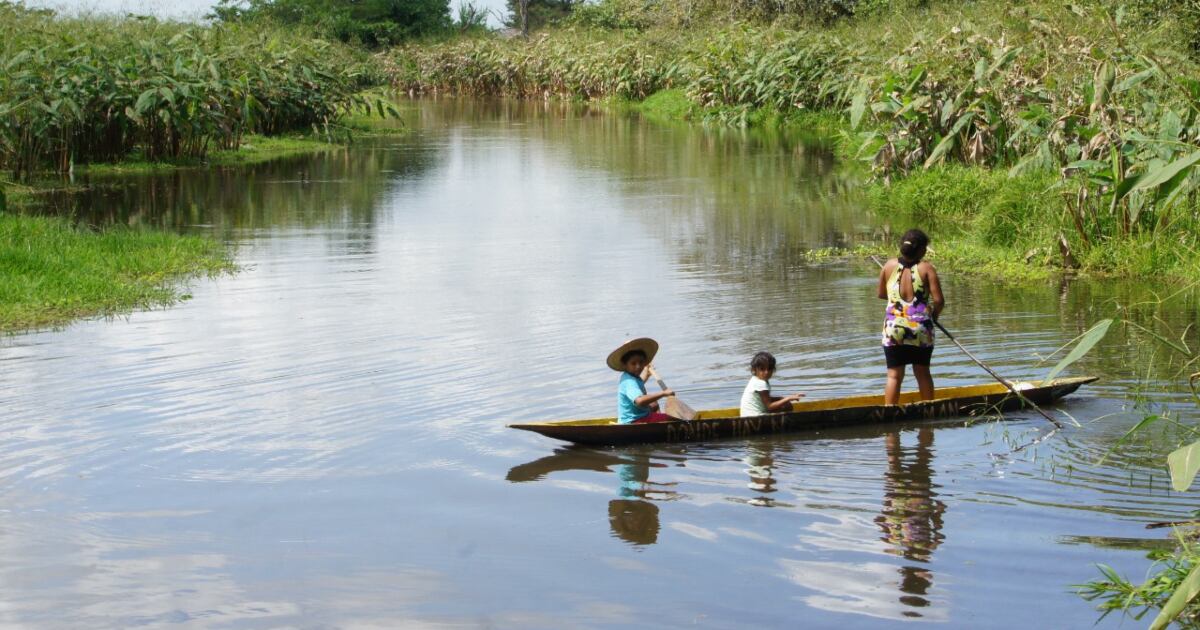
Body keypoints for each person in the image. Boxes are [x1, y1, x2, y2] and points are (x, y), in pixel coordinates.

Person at [877, 229, 944, 404]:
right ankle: (929, 415)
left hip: (893, 329)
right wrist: (933, 316)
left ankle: (890, 416)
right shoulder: (926, 268)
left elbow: (882, 294)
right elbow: (939, 301)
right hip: (921, 328)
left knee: (893, 376)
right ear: (921, 250)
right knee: (922, 373)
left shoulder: (888, 266)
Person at [607, 338, 676, 424]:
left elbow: (637, 385)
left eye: (641, 362)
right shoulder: (629, 381)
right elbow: (640, 401)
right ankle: (660, 423)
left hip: (634, 416)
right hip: (634, 420)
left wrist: (646, 374)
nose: (638, 366)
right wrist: (663, 393)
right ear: (625, 365)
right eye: (633, 363)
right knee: (671, 419)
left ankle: (656, 423)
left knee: (654, 404)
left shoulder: (630, 376)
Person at [739, 351, 804, 417]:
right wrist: (788, 399)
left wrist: (783, 398)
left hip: (747, 415)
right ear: (754, 370)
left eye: (769, 369)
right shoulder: (761, 383)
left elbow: (765, 399)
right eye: (762, 369)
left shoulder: (755, 379)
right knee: (787, 406)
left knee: (784, 402)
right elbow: (769, 406)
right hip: (756, 417)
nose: (766, 372)